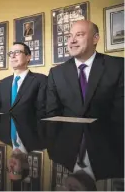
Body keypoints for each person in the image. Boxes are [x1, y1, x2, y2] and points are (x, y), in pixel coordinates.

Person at [46, 20, 124, 181]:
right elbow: (52, 115)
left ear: (95, 39)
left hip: (111, 148)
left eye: (79, 35)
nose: (72, 40)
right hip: (67, 143)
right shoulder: (56, 73)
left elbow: (121, 115)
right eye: (69, 36)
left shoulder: (118, 66)